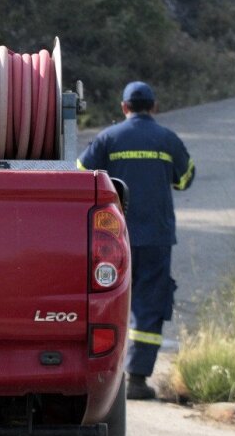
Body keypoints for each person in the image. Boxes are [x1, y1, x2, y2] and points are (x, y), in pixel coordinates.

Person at [78, 81, 195, 400]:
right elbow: (185, 179)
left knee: (105, 300)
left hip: (111, 237)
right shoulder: (167, 139)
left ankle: (98, 377)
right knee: (149, 305)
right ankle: (138, 380)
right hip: (155, 237)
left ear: (124, 107)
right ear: (154, 107)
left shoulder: (108, 138)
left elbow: (79, 174)